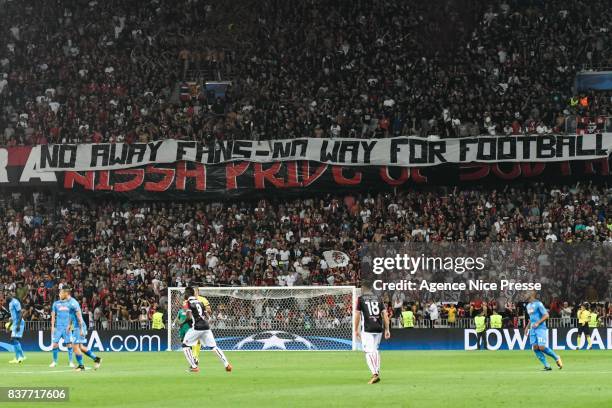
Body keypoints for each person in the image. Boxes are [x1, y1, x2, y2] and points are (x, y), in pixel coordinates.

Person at [181, 287, 232, 373]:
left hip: (196, 327)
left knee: (185, 345)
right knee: (214, 347)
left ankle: (194, 367)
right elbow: (208, 317)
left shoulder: (187, 303)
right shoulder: (200, 302)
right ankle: (227, 365)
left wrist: (183, 322)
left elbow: (189, 316)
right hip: (206, 326)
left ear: (187, 294)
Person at [354, 283, 391, 384]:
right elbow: (385, 314)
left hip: (367, 328)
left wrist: (355, 329)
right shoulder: (379, 298)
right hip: (379, 328)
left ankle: (375, 374)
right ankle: (376, 371)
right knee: (375, 350)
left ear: (364, 288)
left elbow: (357, 314)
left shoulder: (361, 299)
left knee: (368, 351)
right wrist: (387, 329)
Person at [525, 291, 562, 371]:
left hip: (540, 328)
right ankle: (547, 366)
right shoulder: (528, 306)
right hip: (532, 329)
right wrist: (527, 327)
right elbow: (531, 318)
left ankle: (556, 357)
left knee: (541, 347)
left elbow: (546, 315)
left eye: (526, 293)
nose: (524, 294)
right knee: (535, 348)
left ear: (532, 295)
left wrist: (538, 323)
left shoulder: (538, 304)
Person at [50, 289, 75, 367]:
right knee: (54, 344)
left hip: (67, 328)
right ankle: (54, 362)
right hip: (58, 328)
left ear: (65, 294)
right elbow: (53, 316)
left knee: (69, 345)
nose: (60, 294)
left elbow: (72, 315)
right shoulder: (55, 304)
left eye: (61, 293)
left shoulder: (69, 304)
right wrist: (53, 326)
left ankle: (71, 362)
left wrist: (70, 325)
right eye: (60, 293)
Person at [6, 291, 26, 363]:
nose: (6, 297)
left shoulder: (15, 302)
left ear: (10, 295)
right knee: (14, 340)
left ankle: (20, 357)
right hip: (15, 323)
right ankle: (19, 357)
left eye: (7, 295)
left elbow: (20, 313)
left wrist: (18, 324)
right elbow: (13, 317)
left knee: (14, 339)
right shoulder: (10, 303)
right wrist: (9, 326)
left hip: (19, 323)